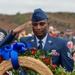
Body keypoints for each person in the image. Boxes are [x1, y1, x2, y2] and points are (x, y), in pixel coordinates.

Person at [20, 8, 74, 72]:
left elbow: (69, 70)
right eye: (35, 25)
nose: (38, 27)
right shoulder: (24, 42)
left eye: (42, 24)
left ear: (48, 24)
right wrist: (13, 33)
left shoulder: (60, 43)